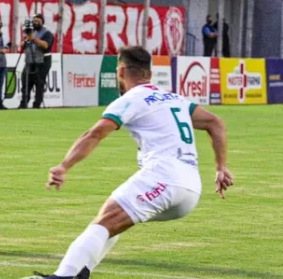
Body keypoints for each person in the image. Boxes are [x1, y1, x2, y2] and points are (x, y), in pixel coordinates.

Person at [27, 46, 233, 279]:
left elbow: (95, 133)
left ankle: (63, 276)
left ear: (122, 70)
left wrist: (64, 166)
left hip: (164, 177)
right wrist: (220, 167)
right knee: (115, 219)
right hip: (191, 189)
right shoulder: (174, 98)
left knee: (106, 220)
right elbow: (215, 123)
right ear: (150, 73)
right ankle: (81, 272)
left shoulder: (133, 98)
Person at [19, 14, 54, 109]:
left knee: (39, 82)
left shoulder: (47, 33)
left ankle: (37, 104)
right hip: (30, 61)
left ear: (42, 22)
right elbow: (22, 46)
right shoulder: (30, 32)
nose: (36, 23)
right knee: (25, 80)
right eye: (34, 21)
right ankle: (24, 102)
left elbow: (45, 45)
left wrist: (33, 39)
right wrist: (27, 39)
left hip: (43, 61)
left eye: (38, 21)